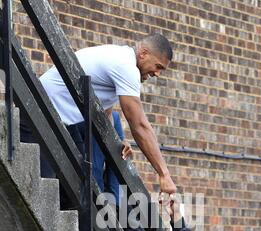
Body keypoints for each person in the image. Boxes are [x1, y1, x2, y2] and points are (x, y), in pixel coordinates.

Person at [37, 32, 176, 195]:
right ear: (143, 53)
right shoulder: (126, 66)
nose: (157, 74)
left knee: (79, 183)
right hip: (40, 111)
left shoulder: (121, 59)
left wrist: (117, 139)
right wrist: (164, 174)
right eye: (158, 66)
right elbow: (139, 124)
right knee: (45, 189)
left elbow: (103, 111)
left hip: (60, 120)